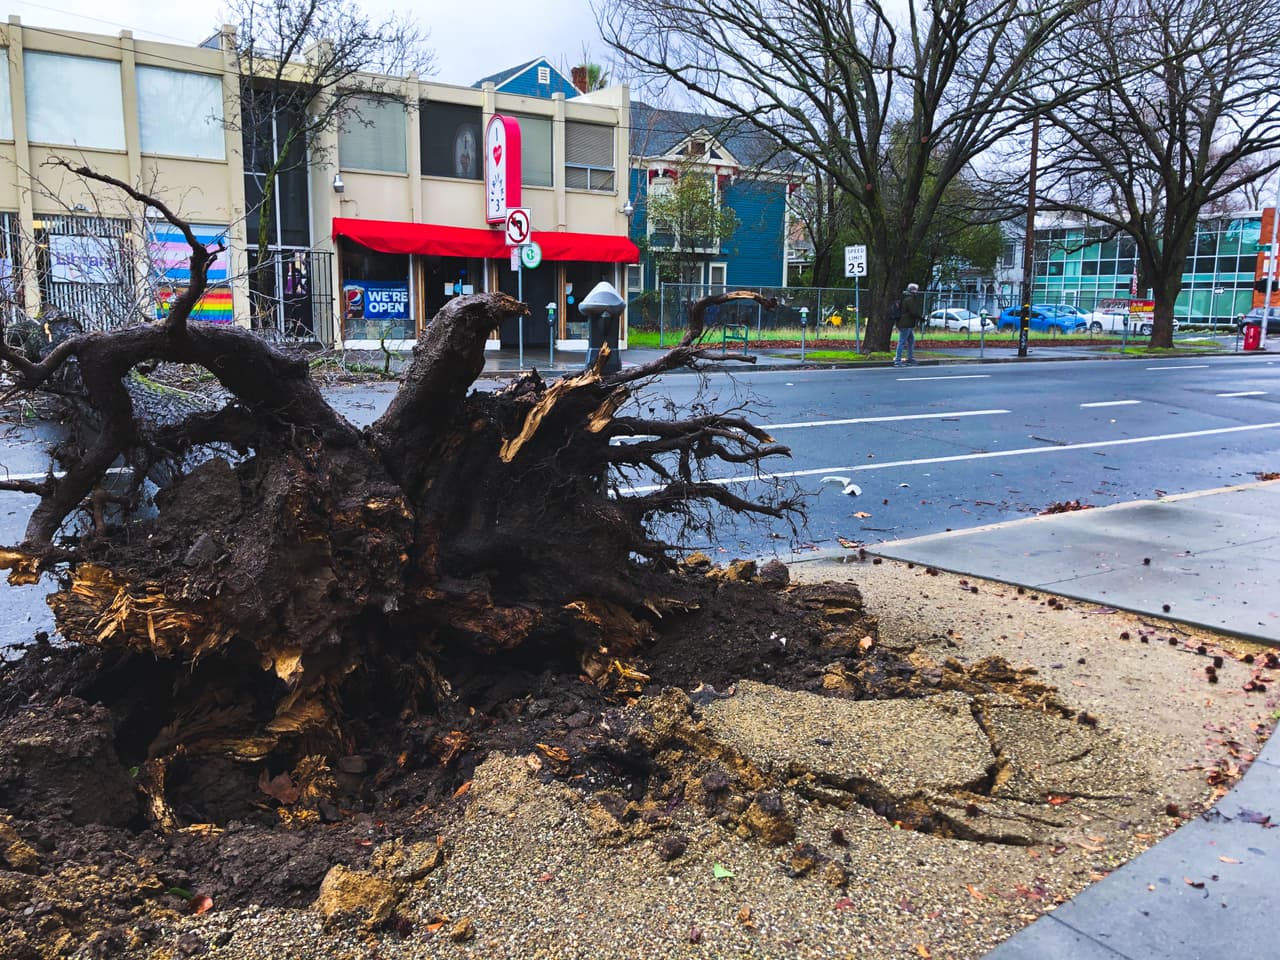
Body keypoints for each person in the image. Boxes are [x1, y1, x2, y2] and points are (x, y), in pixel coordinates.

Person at [894, 282, 924, 366]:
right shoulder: (910, 299)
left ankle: (910, 358)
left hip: (905, 322)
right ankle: (898, 361)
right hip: (906, 323)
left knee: (911, 340)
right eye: (916, 290)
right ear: (913, 290)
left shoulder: (904, 297)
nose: (917, 292)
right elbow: (913, 311)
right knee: (902, 341)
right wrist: (920, 318)